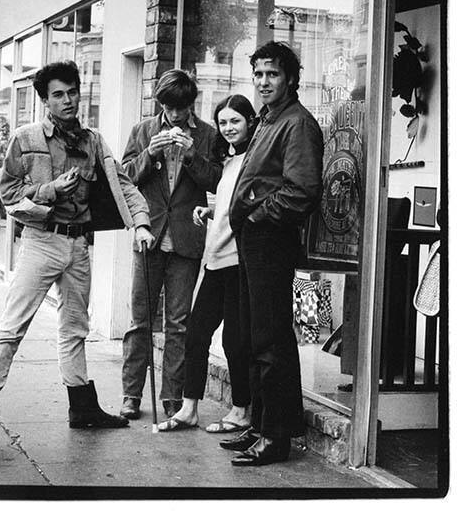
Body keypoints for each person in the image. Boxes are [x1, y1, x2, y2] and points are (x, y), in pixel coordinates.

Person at [0, 60, 154, 443]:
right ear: (45, 101)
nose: (67, 100)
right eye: (58, 95)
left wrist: (142, 221)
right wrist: (49, 192)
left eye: (73, 92)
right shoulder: (26, 138)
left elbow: (124, 184)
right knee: (12, 327)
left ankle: (82, 408)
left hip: (79, 245)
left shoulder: (93, 140)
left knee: (75, 329)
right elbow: (7, 196)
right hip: (41, 241)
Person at [222, 42, 324, 466]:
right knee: (254, 336)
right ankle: (261, 426)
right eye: (259, 74)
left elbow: (301, 192)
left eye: (273, 74)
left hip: (270, 239)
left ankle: (276, 437)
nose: (264, 82)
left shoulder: (297, 123)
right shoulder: (269, 119)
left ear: (291, 79)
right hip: (252, 239)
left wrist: (259, 216)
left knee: (271, 340)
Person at [119, 69, 222, 420]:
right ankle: (131, 394)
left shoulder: (207, 134)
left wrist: (193, 155)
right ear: (160, 103)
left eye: (181, 108)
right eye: (168, 107)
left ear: (190, 104)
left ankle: (172, 399)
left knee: (179, 323)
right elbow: (126, 178)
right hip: (149, 235)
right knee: (140, 320)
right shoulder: (143, 130)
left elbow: (218, 182)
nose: (175, 115)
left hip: (185, 240)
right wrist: (149, 153)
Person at [157, 94, 256, 433]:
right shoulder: (229, 162)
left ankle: (242, 411)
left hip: (237, 261)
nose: (228, 128)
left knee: (235, 340)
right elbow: (231, 204)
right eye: (223, 122)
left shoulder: (253, 161)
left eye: (235, 121)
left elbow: (251, 208)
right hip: (215, 259)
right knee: (196, 335)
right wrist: (210, 210)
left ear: (250, 121)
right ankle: (189, 409)